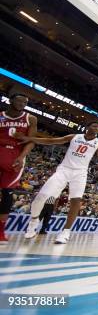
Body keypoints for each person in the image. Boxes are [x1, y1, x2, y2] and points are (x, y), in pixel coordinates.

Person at [22, 122, 98, 243]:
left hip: (80, 173)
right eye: (94, 126)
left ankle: (65, 232)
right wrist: (30, 138)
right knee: (41, 197)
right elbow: (53, 141)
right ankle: (33, 221)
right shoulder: (74, 137)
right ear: (87, 127)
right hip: (64, 170)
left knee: (76, 201)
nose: (97, 128)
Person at [0, 93, 37, 243]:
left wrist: (22, 157)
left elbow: (31, 140)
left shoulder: (31, 118)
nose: (22, 103)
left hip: (15, 156)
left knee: (7, 194)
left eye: (25, 102)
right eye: (19, 100)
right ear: (10, 101)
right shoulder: (1, 116)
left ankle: (1, 232)